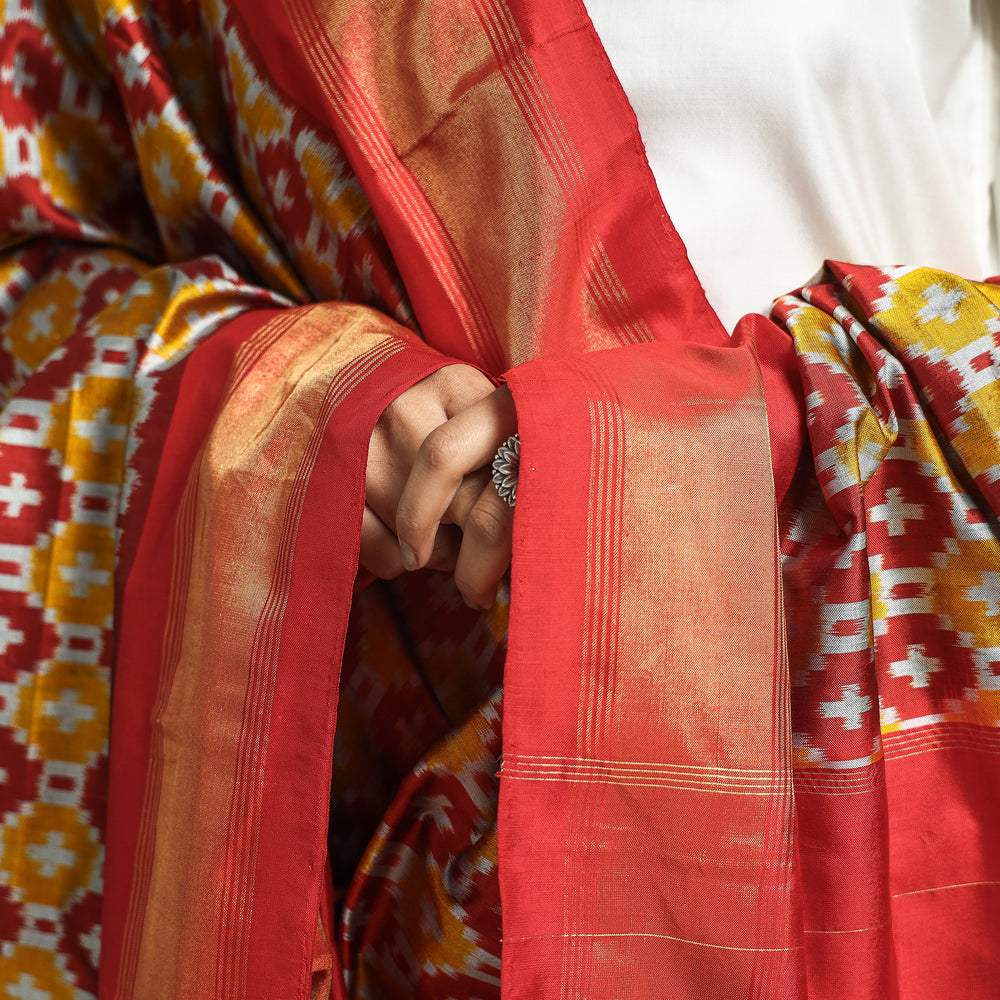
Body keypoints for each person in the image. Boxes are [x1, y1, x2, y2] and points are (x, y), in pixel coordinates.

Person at [0, 1, 997, 998]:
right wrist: (297, 396)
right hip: (465, 832)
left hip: (919, 678)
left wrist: (748, 432)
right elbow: (32, 286)